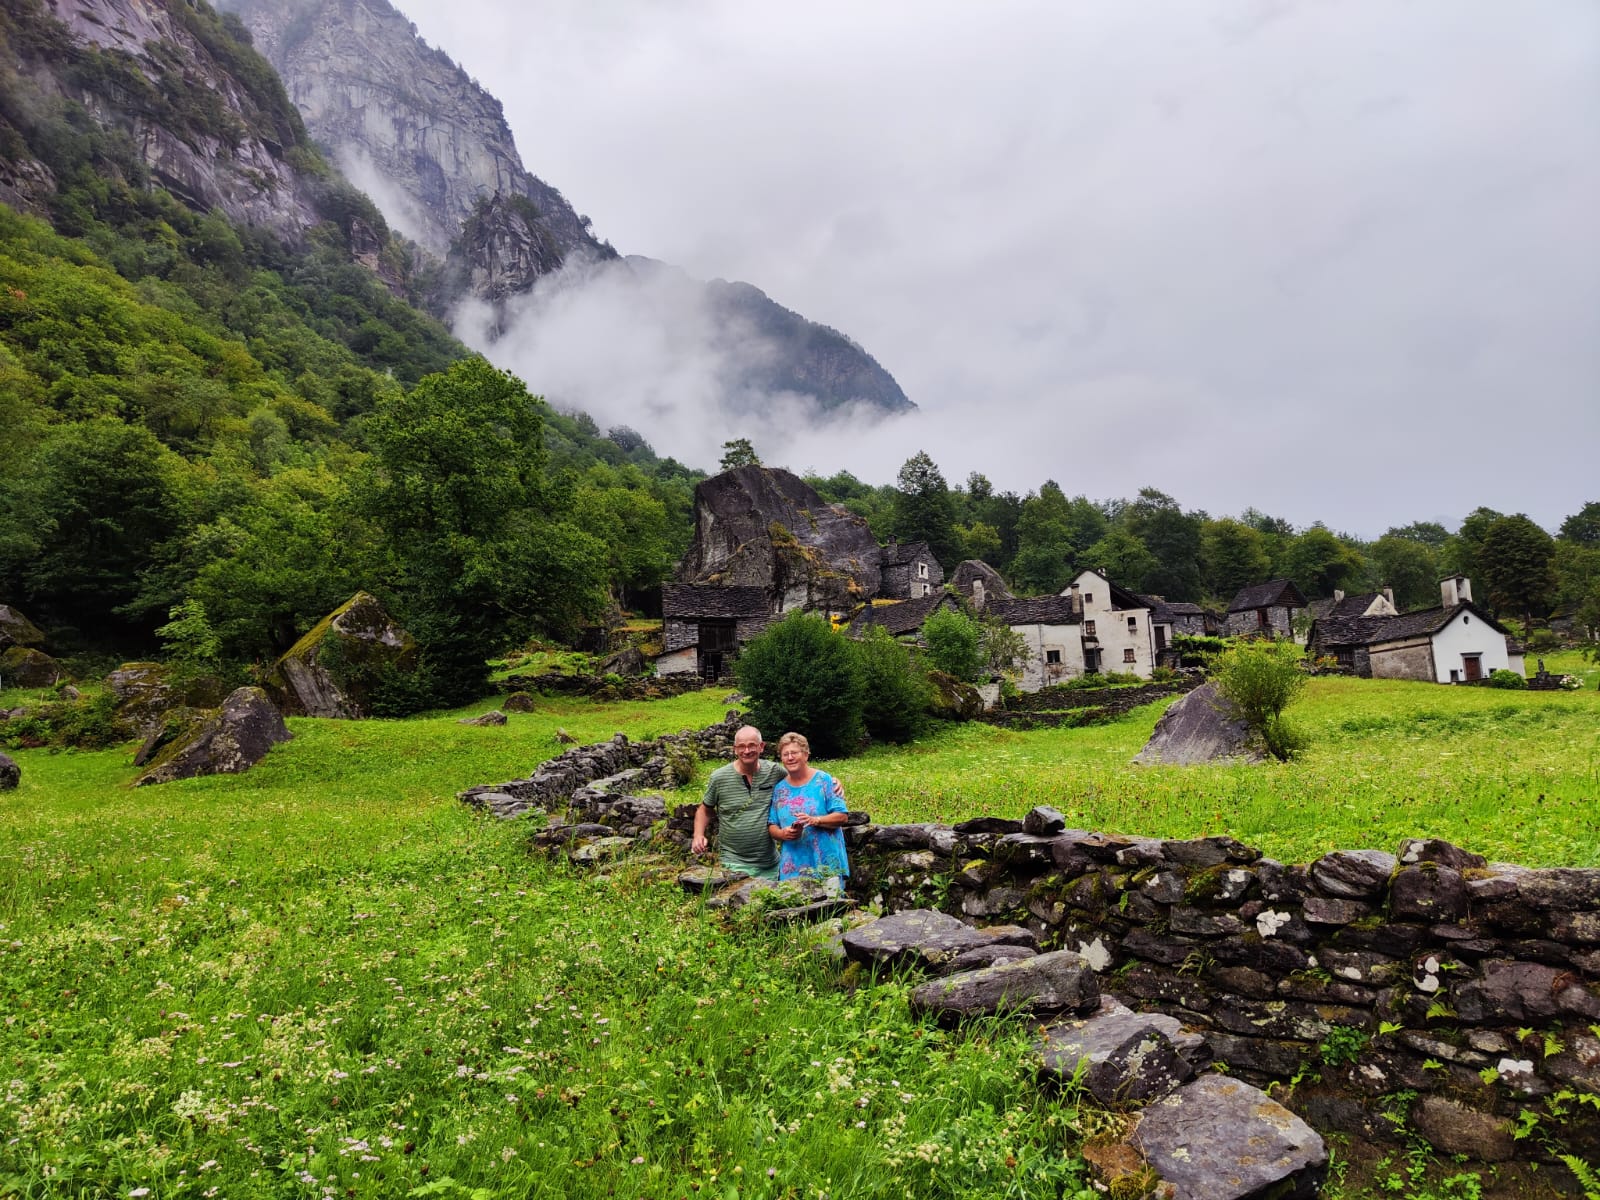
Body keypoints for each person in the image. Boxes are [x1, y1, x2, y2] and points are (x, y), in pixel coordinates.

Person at [692, 725, 785, 879]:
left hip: (770, 864)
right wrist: (698, 835)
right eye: (741, 746)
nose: (746, 751)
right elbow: (705, 810)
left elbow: (800, 779)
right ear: (735, 749)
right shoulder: (719, 777)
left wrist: (830, 781)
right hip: (734, 862)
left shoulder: (775, 772)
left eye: (751, 745)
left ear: (761, 747)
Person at [767, 731, 850, 883]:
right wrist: (783, 834)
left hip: (825, 861)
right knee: (793, 904)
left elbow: (842, 816)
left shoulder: (824, 780)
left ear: (806, 755)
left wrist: (815, 820)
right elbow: (772, 824)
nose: (790, 757)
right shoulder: (779, 789)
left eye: (795, 753)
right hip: (792, 864)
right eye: (785, 754)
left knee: (830, 905)